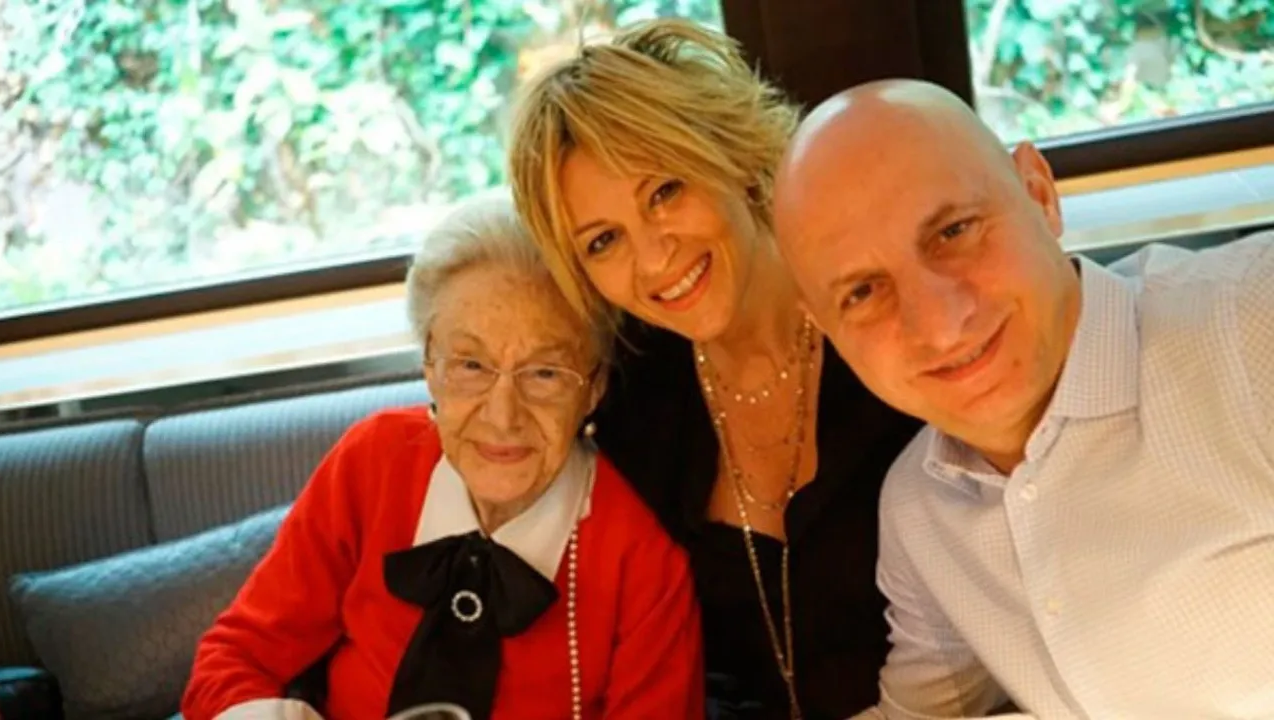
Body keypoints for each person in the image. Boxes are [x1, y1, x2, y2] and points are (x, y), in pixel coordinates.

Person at [772, 78, 1274, 719]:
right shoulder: (919, 510)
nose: (939, 325)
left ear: (1039, 193)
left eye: (954, 231)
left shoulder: (1253, 325)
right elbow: (920, 715)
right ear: (820, 323)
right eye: (863, 292)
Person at [508, 19, 923, 720]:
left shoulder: (889, 313)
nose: (653, 258)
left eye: (665, 192)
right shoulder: (630, 404)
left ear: (730, 151)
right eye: (603, 241)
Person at [181, 190, 705, 720]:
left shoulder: (644, 564)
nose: (502, 416)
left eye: (545, 373)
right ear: (429, 367)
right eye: (470, 365)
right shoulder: (372, 463)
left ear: (594, 388)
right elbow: (233, 660)